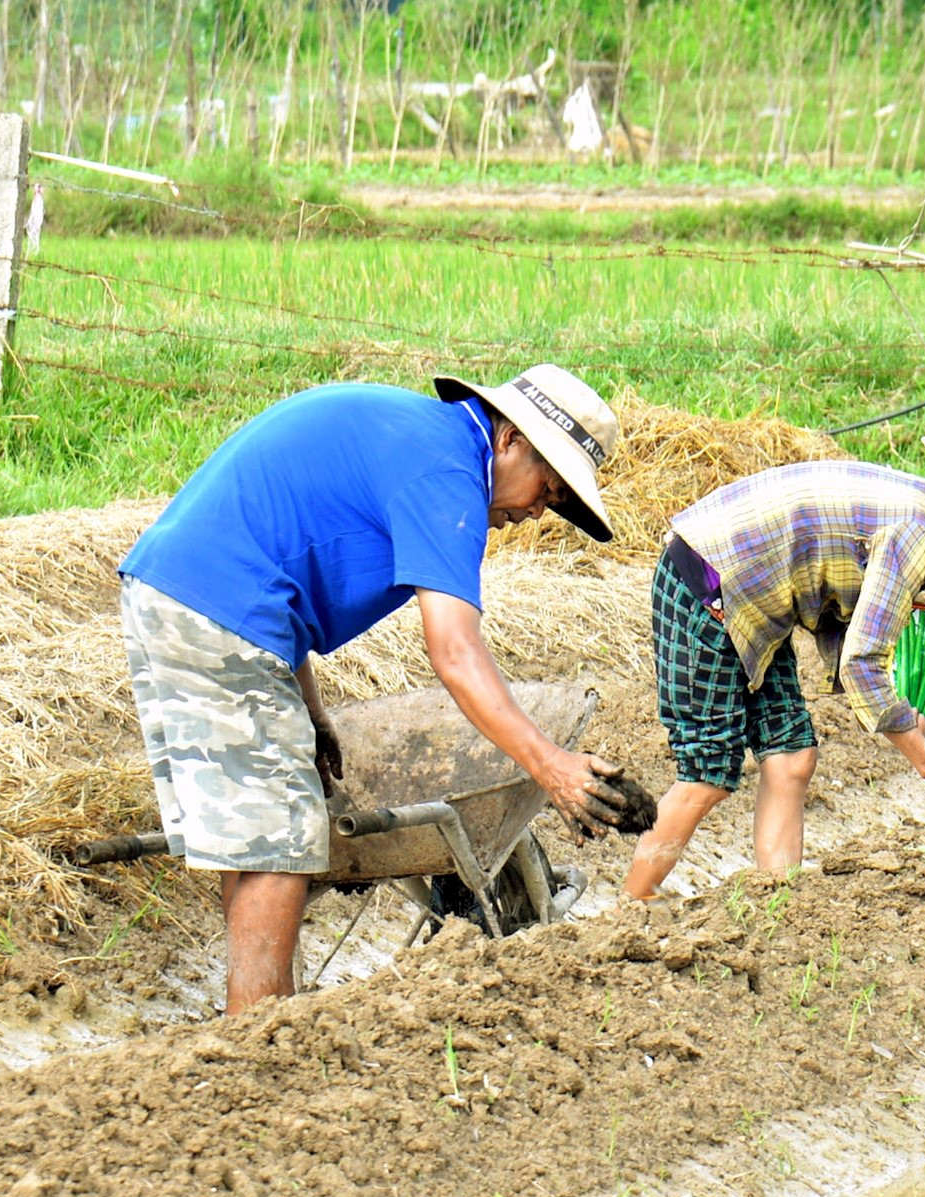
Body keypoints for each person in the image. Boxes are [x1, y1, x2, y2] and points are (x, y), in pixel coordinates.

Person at [117, 365, 631, 1013]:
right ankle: (257, 1043)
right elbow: (454, 649)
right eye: (547, 489)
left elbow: (283, 554)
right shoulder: (448, 475)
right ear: (510, 441)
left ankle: (255, 1025)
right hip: (217, 607)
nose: (535, 512)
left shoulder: (420, 437)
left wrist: (309, 707)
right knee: (279, 844)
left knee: (259, 841)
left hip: (187, 596)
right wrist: (550, 764)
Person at [623, 440, 925, 900]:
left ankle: (779, 904)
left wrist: (898, 705)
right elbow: (861, 663)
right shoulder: (919, 535)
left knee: (793, 757)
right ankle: (633, 905)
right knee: (709, 768)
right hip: (708, 581)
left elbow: (839, 604)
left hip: (760, 600)